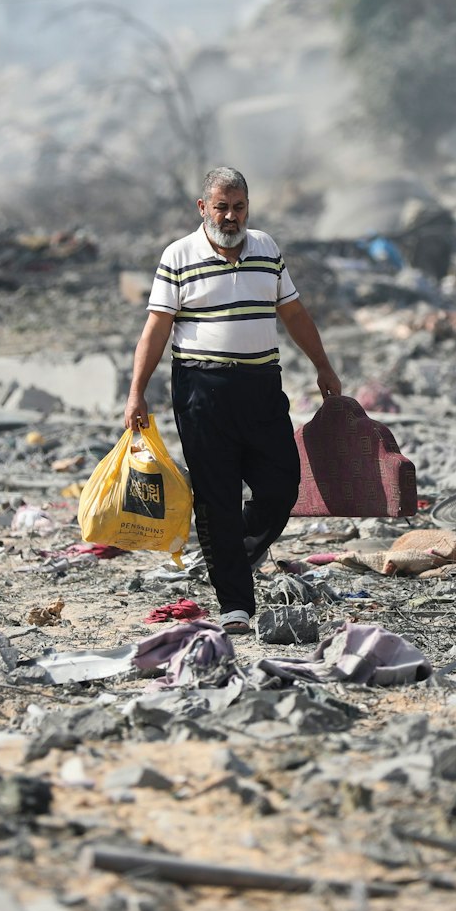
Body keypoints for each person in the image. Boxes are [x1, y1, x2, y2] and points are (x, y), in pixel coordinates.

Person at [123, 167, 341, 634]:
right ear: (203, 208)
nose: (230, 216)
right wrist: (137, 391)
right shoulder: (178, 256)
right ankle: (235, 605)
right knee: (217, 496)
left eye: (238, 206)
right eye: (221, 206)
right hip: (202, 390)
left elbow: (294, 312)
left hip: (262, 385)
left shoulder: (266, 248)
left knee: (281, 486)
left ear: (248, 207)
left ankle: (228, 554)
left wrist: (323, 365)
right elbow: (157, 327)